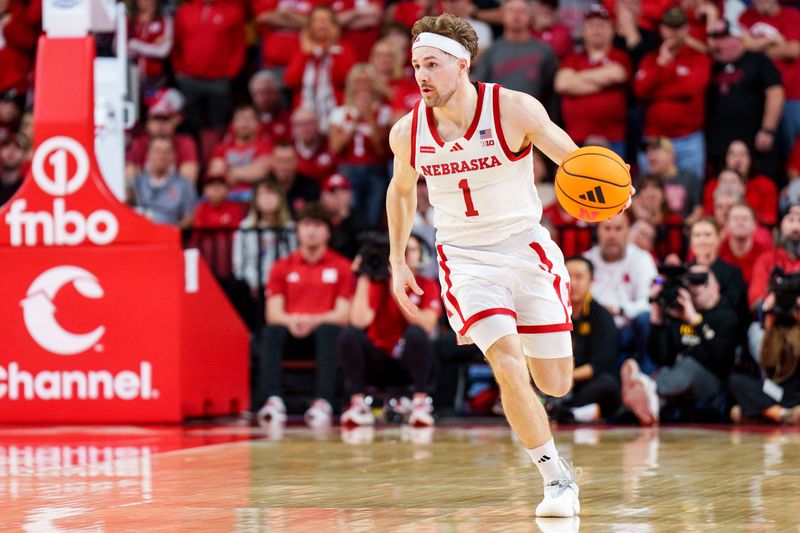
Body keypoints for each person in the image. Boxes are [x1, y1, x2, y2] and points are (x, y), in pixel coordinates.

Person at [387, 13, 633, 517]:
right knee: (505, 363)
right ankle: (555, 478)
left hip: (526, 250)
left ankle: (531, 351)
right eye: (416, 66)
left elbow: (574, 159)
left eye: (432, 64)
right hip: (465, 259)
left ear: (463, 64)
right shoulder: (407, 132)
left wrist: (612, 190)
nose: (422, 76)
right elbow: (401, 189)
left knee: (556, 383)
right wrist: (396, 258)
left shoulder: (514, 108)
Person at [257, 203, 352, 427]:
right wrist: (293, 321)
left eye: (318, 225)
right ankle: (273, 399)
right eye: (306, 225)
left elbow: (342, 315)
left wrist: (312, 320)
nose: (311, 231)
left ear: (328, 232)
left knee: (329, 331)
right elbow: (273, 313)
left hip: (323, 334)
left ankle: (323, 400)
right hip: (292, 333)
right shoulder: (282, 266)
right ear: (298, 230)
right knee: (271, 332)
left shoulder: (342, 266)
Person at [338, 233, 441, 426]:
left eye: (410, 250)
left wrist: (397, 289)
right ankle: (358, 404)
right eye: (400, 250)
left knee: (416, 333)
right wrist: (364, 276)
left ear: (420, 255)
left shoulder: (427, 285)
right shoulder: (377, 283)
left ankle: (420, 403)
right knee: (349, 335)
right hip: (378, 360)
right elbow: (359, 321)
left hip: (409, 361)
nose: (405, 255)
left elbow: (426, 324)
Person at [623, 265, 739, 424]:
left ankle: (646, 387)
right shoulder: (678, 311)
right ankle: (648, 406)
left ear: (716, 287)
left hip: (712, 385)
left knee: (689, 365)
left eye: (702, 280)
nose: (697, 287)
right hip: (676, 384)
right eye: (692, 281)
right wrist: (657, 318)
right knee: (639, 405)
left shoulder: (727, 316)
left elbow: (721, 357)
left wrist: (695, 321)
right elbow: (661, 357)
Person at [634, 7, 711, 178]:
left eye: (678, 27)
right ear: (661, 28)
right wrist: (661, 64)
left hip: (687, 139)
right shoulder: (651, 59)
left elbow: (690, 88)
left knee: (688, 194)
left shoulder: (698, 58)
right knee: (650, 193)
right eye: (669, 27)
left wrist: (659, 84)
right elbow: (640, 91)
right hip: (654, 140)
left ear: (686, 29)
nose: (673, 32)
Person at [547, 257, 621, 424]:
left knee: (608, 385)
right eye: (568, 277)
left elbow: (601, 365)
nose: (572, 283)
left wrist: (566, 378)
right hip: (553, 380)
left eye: (579, 277)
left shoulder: (601, 316)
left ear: (591, 281)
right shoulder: (551, 313)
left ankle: (564, 412)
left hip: (583, 383)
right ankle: (572, 412)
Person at [706, 20, 784, 172]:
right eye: (715, 38)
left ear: (739, 39)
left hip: (754, 141)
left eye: (723, 38)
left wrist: (768, 129)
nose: (717, 44)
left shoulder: (758, 61)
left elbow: (775, 93)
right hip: (720, 144)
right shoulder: (713, 65)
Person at [555, 4, 631, 157]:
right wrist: (602, 81)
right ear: (583, 32)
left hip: (613, 139)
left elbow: (617, 74)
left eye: (602, 25)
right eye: (591, 25)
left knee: (614, 180)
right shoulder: (572, 59)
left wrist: (577, 78)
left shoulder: (620, 56)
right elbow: (562, 84)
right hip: (575, 138)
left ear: (612, 31)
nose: (597, 29)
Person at [584, 214, 658, 370]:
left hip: (627, 329)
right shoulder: (587, 260)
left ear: (628, 232)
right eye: (607, 229)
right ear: (598, 232)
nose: (612, 235)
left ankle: (645, 373)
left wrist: (619, 309)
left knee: (646, 318)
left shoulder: (641, 259)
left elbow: (648, 302)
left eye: (618, 229)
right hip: (596, 330)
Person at [328, 63, 393, 227]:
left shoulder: (383, 112)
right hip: (349, 169)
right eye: (359, 81)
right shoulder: (340, 113)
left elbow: (381, 149)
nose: (363, 86)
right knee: (350, 216)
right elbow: (335, 147)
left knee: (373, 216)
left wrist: (369, 118)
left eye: (367, 81)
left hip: (375, 169)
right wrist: (355, 119)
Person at [472, 0, 559, 118]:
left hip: (535, 121)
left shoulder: (545, 51)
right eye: (511, 11)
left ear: (530, 15)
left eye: (522, 11)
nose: (516, 15)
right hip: (499, 122)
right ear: (502, 15)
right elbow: (479, 94)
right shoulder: (490, 53)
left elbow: (552, 96)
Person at [739, 0, 800, 155]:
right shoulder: (746, 16)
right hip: (758, 96)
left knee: (792, 148)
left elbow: (794, 49)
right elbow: (743, 47)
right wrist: (772, 40)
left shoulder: (791, 15)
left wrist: (755, 46)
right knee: (764, 148)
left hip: (791, 95)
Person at [284, 5, 356, 133]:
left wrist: (329, 49)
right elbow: (291, 80)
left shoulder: (344, 48)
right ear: (309, 27)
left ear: (335, 27)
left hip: (335, 113)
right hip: (306, 114)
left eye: (327, 20)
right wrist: (307, 54)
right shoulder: (301, 50)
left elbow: (345, 79)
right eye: (317, 20)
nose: (322, 23)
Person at [125, 88, 200, 184]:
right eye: (155, 118)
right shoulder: (139, 143)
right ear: (148, 122)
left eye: (165, 119)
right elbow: (129, 180)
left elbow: (188, 182)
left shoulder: (185, 143)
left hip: (175, 197)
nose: (160, 124)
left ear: (176, 120)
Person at [703, 140, 779, 226]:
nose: (737, 159)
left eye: (742, 155)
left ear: (750, 159)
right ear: (725, 158)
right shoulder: (713, 185)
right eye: (733, 154)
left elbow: (769, 219)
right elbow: (707, 218)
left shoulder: (766, 185)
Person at [208, 104, 273, 203]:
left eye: (249, 119)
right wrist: (246, 172)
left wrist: (230, 172)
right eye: (240, 119)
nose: (244, 123)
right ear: (233, 124)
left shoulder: (265, 146)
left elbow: (260, 172)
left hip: (254, 197)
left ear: (258, 124)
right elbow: (216, 175)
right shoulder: (221, 148)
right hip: (225, 197)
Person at [130, 137, 197, 228]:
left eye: (166, 152)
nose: (161, 156)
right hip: (138, 233)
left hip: (168, 236)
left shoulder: (184, 185)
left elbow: (189, 218)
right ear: (148, 155)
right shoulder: (136, 182)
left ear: (173, 156)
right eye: (157, 151)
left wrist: (172, 233)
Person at [190, 173, 246, 280]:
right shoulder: (201, 208)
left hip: (228, 256)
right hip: (207, 256)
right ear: (205, 190)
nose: (216, 189)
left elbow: (236, 234)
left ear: (227, 189)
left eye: (220, 185)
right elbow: (198, 234)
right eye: (211, 185)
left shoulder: (234, 208)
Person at [643, 136, 703, 222]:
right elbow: (635, 204)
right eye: (647, 151)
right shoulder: (646, 181)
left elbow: (698, 210)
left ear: (671, 154)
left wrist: (681, 228)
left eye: (655, 150)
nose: (650, 155)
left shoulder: (690, 178)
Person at [719, 203, 773, 287]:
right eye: (735, 219)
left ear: (754, 225)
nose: (740, 222)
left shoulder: (765, 255)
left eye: (745, 219)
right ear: (727, 225)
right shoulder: (718, 252)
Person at [127, 0, 173, 99]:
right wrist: (151, 46)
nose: (146, 2)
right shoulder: (128, 21)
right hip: (130, 76)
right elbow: (119, 49)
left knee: (152, 107)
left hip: (155, 79)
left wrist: (135, 44)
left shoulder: (164, 21)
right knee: (133, 109)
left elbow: (163, 51)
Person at [320, 174, 368, 259]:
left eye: (342, 192)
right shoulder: (317, 219)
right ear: (322, 196)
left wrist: (343, 216)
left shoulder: (360, 220)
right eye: (331, 192)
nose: (337, 197)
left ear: (350, 195)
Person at [290, 106, 336, 185]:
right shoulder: (288, 149)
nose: (305, 128)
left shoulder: (330, 145)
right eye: (300, 124)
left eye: (310, 123)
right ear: (293, 128)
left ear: (318, 125)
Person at [248, 70, 291, 144]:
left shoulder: (289, 120)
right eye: (260, 93)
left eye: (268, 92)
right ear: (253, 96)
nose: (264, 97)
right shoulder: (244, 122)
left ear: (277, 94)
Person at [0, 133, 26, 206]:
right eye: (6, 145)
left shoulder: (25, 187)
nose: (11, 150)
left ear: (24, 156)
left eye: (17, 147)